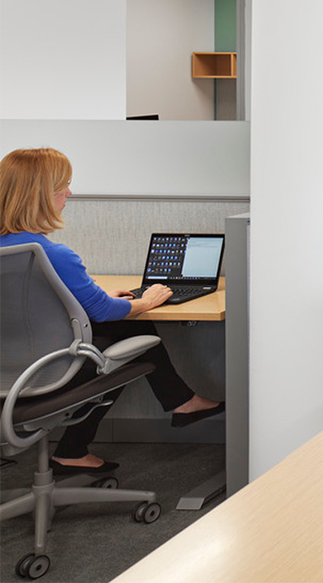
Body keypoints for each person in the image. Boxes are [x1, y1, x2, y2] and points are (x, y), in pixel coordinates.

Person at [0, 148, 224, 474]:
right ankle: (177, 404)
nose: (70, 193)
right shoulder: (51, 254)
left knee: (126, 329)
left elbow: (29, 306)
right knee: (136, 338)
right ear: (42, 195)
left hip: (9, 369)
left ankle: (80, 447)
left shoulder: (16, 252)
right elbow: (104, 311)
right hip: (48, 373)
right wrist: (145, 302)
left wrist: (97, 297)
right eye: (64, 185)